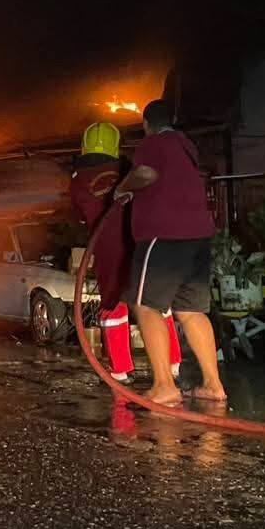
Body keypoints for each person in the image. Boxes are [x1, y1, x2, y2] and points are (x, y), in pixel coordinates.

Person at [113, 100, 226, 405]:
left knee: (146, 306)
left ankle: (164, 386)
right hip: (198, 236)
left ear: (146, 124)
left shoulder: (154, 143)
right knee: (191, 311)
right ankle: (214, 386)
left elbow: (146, 173)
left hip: (163, 236)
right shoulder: (185, 146)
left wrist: (123, 188)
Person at [69, 122, 181, 383]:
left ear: (84, 146)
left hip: (108, 247)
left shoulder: (77, 180)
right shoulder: (128, 168)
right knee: (156, 302)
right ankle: (173, 364)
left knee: (113, 305)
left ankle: (120, 371)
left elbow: (80, 216)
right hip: (142, 240)